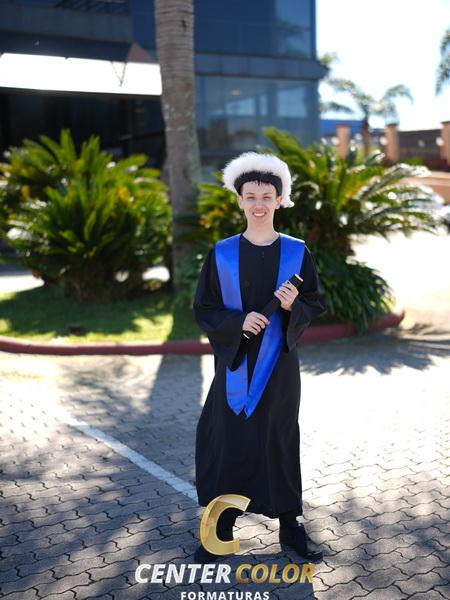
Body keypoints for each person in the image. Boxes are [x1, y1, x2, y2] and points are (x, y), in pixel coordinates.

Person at [192, 151, 326, 563]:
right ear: (239, 201)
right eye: (250, 196)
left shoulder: (297, 252)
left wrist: (291, 306)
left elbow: (315, 302)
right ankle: (223, 526)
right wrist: (238, 322)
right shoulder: (222, 253)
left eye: (267, 196)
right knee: (231, 440)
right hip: (235, 364)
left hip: (279, 366)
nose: (259, 204)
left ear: (280, 200)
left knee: (279, 439)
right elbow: (205, 307)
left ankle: (289, 525)